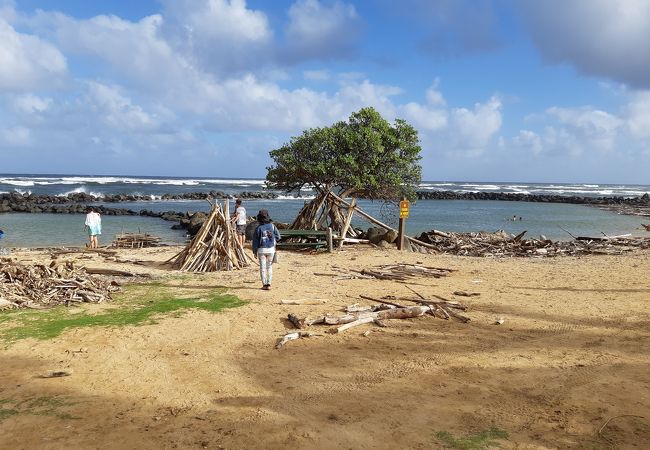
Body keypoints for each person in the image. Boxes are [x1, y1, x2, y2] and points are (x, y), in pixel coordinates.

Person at [251, 209, 281, 290]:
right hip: (271, 250)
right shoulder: (272, 226)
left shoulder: (258, 228)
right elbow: (278, 237)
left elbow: (255, 242)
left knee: (263, 268)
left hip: (261, 250)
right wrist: (272, 240)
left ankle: (264, 285)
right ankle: (269, 283)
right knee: (269, 267)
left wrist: (254, 251)